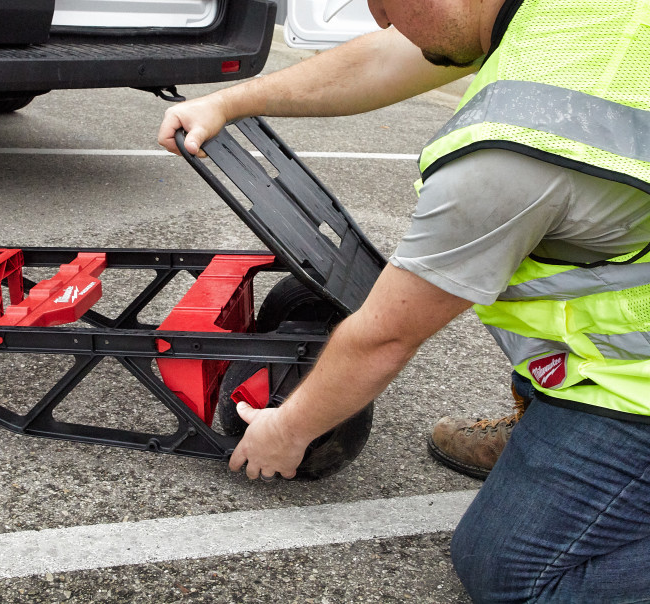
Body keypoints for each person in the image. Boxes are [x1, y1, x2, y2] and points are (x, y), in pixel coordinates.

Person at [158, 0, 650, 601]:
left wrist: (288, 429)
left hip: (635, 379)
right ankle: (547, 417)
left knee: (511, 574)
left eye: (383, 3)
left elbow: (388, 334)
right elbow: (390, 56)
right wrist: (228, 101)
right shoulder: (565, 16)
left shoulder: (516, 151)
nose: (383, 21)